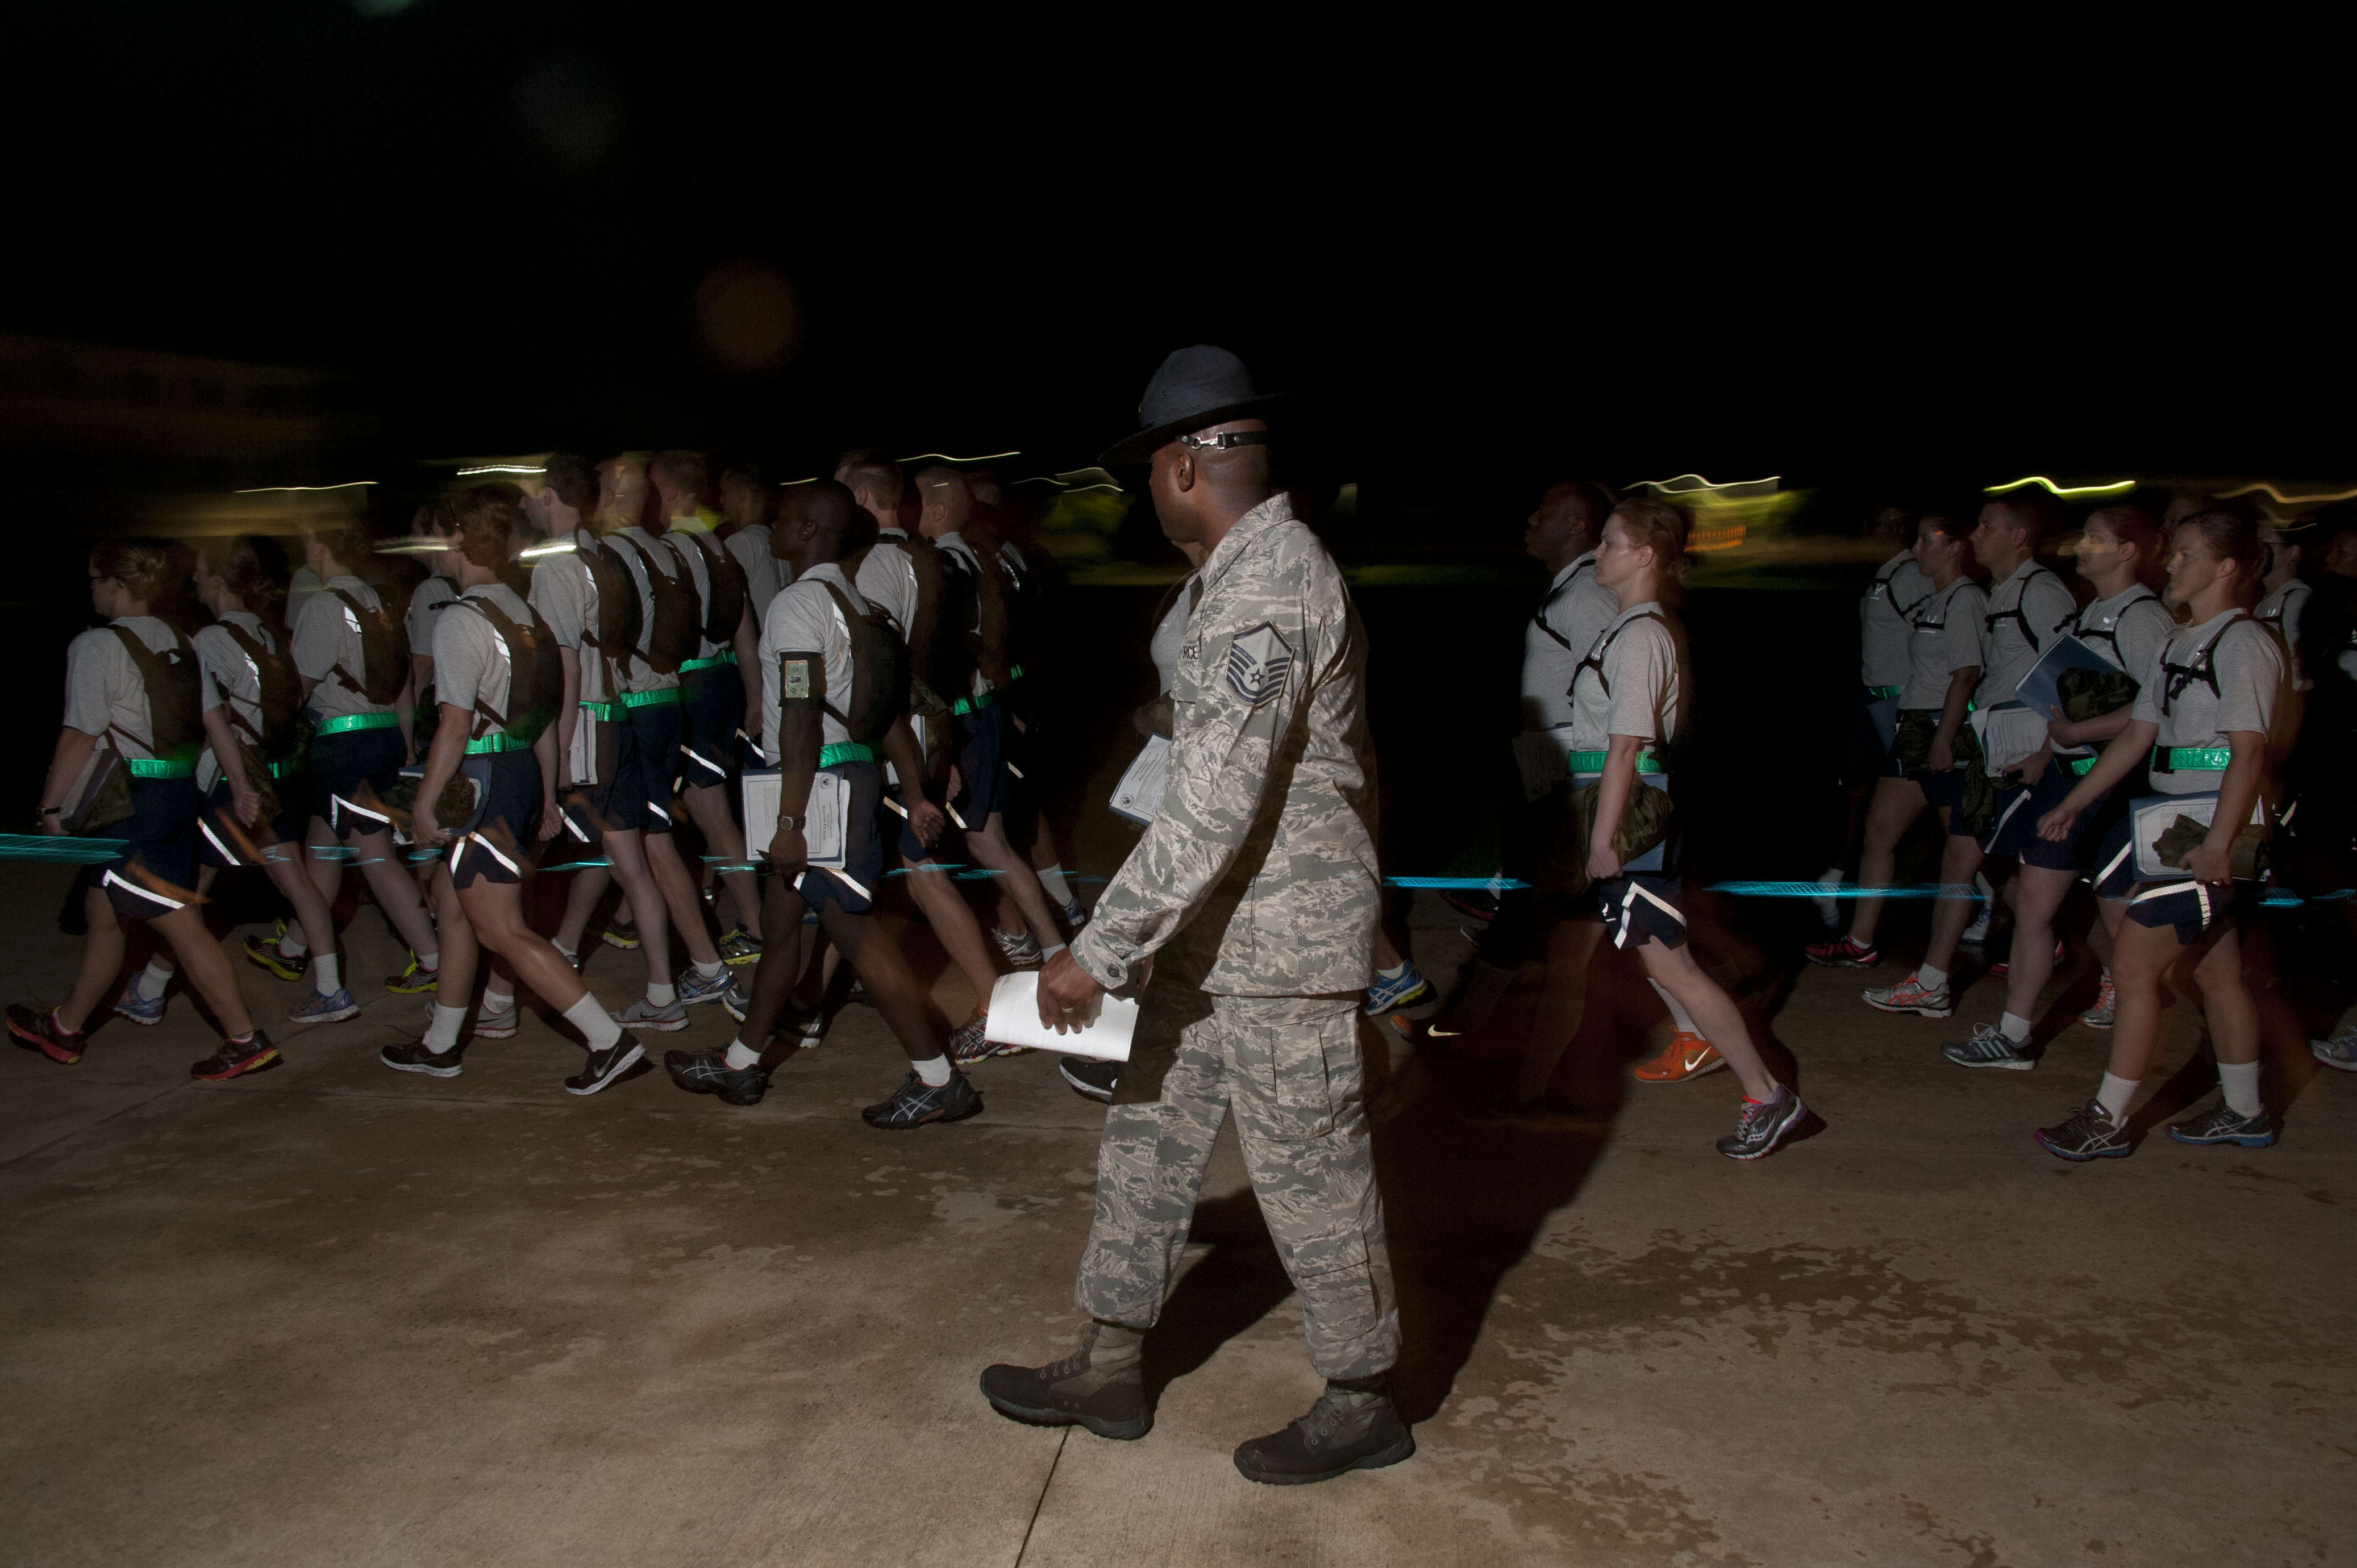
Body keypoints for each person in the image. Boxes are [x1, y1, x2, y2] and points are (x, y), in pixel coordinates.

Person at [982, 346, 1411, 1487]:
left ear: (1181, 465)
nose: (1146, 496)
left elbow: (1214, 805)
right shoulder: (1230, 579)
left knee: (1310, 1179)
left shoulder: (1271, 584)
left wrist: (1095, 952)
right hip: (1211, 938)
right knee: (1147, 1145)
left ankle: (1364, 1394)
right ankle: (1110, 1360)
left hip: (1279, 946)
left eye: (1146, 474)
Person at [662, 480, 968, 1121]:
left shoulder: (797, 606)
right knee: (780, 933)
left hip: (815, 790)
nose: (771, 527)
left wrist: (790, 823)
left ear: (807, 531)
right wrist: (912, 793)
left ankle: (939, 1080)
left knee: (854, 936)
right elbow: (885, 713)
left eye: (782, 518)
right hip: (836, 779)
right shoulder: (860, 607)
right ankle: (739, 1066)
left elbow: (799, 718)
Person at [1431, 480, 1713, 1080]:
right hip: (1559, 767)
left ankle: (1470, 1032)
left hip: (1576, 774)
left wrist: (1588, 797)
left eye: (1544, 514)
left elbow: (1618, 698)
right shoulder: (1575, 589)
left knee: (1558, 915)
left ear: (1577, 527)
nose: (1529, 521)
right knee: (1583, 922)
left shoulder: (1591, 597)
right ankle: (1476, 1032)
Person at [2027, 511, 2284, 1158]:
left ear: (2225, 567)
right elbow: (2140, 735)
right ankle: (2246, 1112)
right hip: (2170, 823)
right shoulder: (2178, 641)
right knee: (2217, 973)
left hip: (2209, 826)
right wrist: (2076, 803)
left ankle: (2107, 1120)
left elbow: (2246, 756)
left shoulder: (2243, 642)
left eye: (2186, 555)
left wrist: (2218, 846)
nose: (2169, 563)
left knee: (2134, 965)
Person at [380, 486, 651, 1094]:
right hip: (519, 775)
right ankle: (441, 1044)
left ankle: (609, 1042)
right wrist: (548, 795)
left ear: (456, 538)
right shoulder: (527, 615)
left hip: (482, 780)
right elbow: (542, 716)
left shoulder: (459, 620)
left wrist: (424, 803)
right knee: (457, 908)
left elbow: (453, 725)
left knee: (501, 928)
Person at [1577, 498, 1812, 1154]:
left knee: (1675, 967)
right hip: (1621, 809)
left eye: (1607, 542)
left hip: (1630, 817)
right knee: (1661, 958)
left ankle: (1768, 1096)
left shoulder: (1641, 635)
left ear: (1644, 555)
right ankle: (1759, 1088)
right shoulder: (1629, 628)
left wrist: (1603, 838)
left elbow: (1625, 745)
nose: (1597, 553)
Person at [10, 541, 278, 1079]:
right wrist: (244, 783)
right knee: (104, 917)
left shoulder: (96, 646)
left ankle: (244, 1039)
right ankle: (65, 1029)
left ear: (114, 584)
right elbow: (216, 722)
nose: (91, 590)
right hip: (178, 797)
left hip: (132, 805)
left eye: (94, 580)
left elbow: (79, 734)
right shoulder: (177, 640)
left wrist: (51, 807)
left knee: (179, 922)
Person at [1943, 504, 2171, 1065]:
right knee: (2037, 901)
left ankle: (2145, 1007)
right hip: (2068, 776)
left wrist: (2077, 732)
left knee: (2111, 914)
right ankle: (2016, 1032)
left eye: (2095, 539)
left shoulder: (2142, 619)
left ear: (2127, 551)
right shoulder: (2094, 611)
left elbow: (2152, 712)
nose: (2080, 548)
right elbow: (2067, 701)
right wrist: (2047, 752)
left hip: (2107, 784)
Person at [1870, 496, 2076, 1019]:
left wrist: (2046, 749)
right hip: (1998, 744)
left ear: (2019, 537)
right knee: (1978, 862)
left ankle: (1939, 982)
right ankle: (1935, 981)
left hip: (2029, 749)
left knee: (2004, 867)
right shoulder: (2000, 592)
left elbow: (2077, 679)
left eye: (1986, 527)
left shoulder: (2041, 592)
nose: (1975, 535)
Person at [554, 454, 740, 1029]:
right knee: (632, 841)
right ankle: (669, 978)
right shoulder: (668, 551)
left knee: (646, 846)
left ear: (607, 497)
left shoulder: (600, 557)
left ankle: (701, 975)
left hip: (627, 711)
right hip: (668, 702)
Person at [176, 537, 353, 1026]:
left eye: (198, 570)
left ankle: (148, 989)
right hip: (277, 770)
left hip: (234, 777)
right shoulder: (271, 635)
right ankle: (331, 987)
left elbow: (205, 717)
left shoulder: (210, 641)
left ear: (217, 580)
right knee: (294, 881)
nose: (193, 579)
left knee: (184, 892)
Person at [1806, 513, 1986, 992]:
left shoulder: (1963, 598)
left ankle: (2032, 921)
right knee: (1880, 828)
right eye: (1920, 539)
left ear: (1955, 548)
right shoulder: (1935, 597)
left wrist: (1946, 737)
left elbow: (1966, 674)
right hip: (1913, 726)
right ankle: (1860, 942)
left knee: (1970, 849)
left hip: (1938, 730)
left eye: (1930, 540)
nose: (1919, 548)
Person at [289, 514, 444, 992]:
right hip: (379, 738)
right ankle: (295, 946)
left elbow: (301, 683)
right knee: (323, 844)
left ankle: (435, 958)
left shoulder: (323, 606)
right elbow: (400, 684)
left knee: (374, 856)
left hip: (343, 742)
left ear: (321, 547)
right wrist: (404, 743)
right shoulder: (378, 602)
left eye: (309, 540)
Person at [649, 449, 766, 966]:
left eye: (653, 488)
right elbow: (744, 629)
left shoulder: (669, 551)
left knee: (711, 813)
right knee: (709, 810)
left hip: (692, 685)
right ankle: (748, 918)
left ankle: (756, 925)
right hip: (722, 683)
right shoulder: (720, 550)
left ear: (672, 493)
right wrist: (755, 694)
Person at [1818, 505, 1929, 921]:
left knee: (1936, 807)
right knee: (1858, 795)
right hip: (1874, 703)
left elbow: (1932, 643)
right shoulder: (1883, 575)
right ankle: (1836, 886)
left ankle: (1992, 898)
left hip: (1902, 706)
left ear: (1897, 527)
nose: (1865, 532)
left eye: (1875, 524)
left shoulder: (1911, 575)